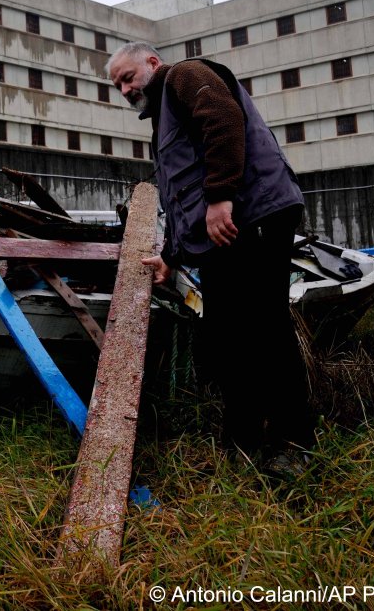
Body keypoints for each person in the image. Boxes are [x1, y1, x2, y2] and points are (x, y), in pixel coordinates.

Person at [107, 42, 315, 460]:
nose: (125, 90)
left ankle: (294, 444)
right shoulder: (164, 118)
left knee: (265, 328)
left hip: (252, 218)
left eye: (128, 78)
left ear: (152, 63)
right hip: (229, 232)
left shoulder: (185, 76)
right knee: (228, 336)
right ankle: (244, 443)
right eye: (117, 86)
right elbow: (182, 199)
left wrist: (221, 196)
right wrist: (171, 256)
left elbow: (222, 120)